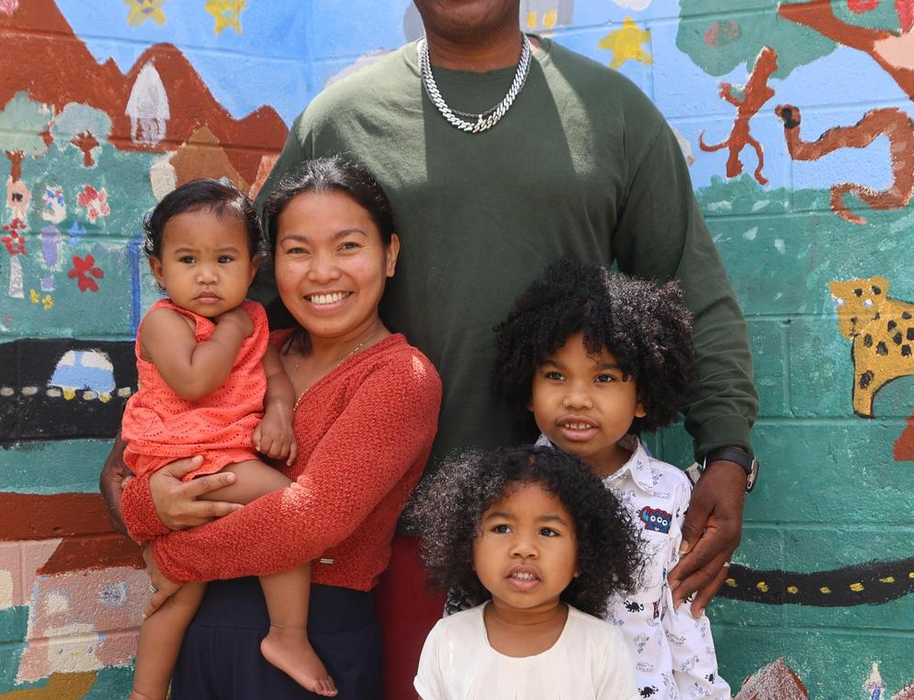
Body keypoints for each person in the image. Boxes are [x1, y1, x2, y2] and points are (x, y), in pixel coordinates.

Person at [255, 3, 759, 692]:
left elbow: (692, 290)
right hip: (388, 535)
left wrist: (727, 453)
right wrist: (151, 440)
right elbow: (248, 301)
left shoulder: (610, 111)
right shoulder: (343, 116)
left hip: (576, 534)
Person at [102, 156, 442, 699]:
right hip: (202, 630)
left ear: (390, 254)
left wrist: (166, 554)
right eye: (298, 250)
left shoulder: (400, 377)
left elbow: (310, 520)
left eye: (348, 246)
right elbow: (127, 464)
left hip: (315, 639)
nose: (322, 271)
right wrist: (148, 509)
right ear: (272, 265)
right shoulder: (257, 348)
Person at [121, 179, 334, 699]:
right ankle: (286, 635)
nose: (208, 276)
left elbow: (275, 380)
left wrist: (279, 416)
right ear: (159, 270)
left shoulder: (253, 320)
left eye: (225, 259)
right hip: (184, 458)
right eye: (188, 260)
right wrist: (231, 331)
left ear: (252, 267)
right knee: (288, 513)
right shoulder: (165, 323)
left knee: (180, 596)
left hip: (223, 456)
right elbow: (195, 378)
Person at [491, 259, 728, 699]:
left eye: (604, 378)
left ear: (643, 398)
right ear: (528, 388)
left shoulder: (671, 491)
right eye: (555, 375)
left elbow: (681, 615)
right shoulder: (506, 489)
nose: (577, 398)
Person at [407, 446, 642, 700]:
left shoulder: (602, 646)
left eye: (548, 531)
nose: (524, 549)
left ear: (582, 557)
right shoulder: (448, 638)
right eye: (502, 528)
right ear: (467, 546)